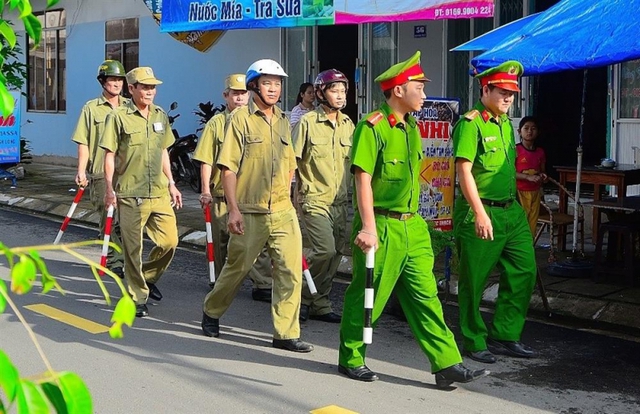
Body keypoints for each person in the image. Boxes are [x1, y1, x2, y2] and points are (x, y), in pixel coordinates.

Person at [338, 51, 489, 388]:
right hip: (382, 225)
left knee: (426, 296)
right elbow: (362, 179)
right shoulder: (372, 127)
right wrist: (367, 227)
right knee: (368, 295)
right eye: (418, 87)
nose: (423, 93)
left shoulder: (412, 128)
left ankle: (446, 362)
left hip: (414, 225)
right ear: (397, 91)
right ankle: (351, 356)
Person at [201, 59, 313, 353]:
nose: (274, 89)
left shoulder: (283, 120)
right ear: (253, 86)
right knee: (237, 268)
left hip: (282, 211)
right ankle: (212, 311)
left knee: (290, 270)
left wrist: (292, 202)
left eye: (277, 83)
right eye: (267, 83)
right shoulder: (239, 120)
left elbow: (290, 165)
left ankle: (286, 332)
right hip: (249, 210)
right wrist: (234, 210)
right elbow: (228, 169)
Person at [452, 61, 537, 364]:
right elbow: (464, 171)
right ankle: (474, 339)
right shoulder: (470, 123)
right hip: (481, 210)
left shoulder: (505, 123)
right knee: (474, 280)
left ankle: (505, 334)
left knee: (525, 270)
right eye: (502, 92)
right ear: (484, 89)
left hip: (510, 211)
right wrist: (478, 212)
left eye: (512, 94)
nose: (508, 98)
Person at [101, 67, 182, 318]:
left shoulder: (160, 115)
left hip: (158, 191)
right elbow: (109, 155)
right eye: (144, 87)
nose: (150, 91)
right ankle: (137, 297)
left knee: (170, 241)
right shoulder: (118, 116)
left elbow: (163, 152)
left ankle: (146, 277)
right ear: (131, 88)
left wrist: (171, 183)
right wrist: (109, 189)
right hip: (130, 193)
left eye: (152, 87)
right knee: (132, 249)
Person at [193, 73, 273, 299]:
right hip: (221, 195)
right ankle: (221, 283)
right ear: (226, 95)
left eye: (244, 93)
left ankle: (263, 284)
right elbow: (207, 159)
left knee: (258, 242)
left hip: (250, 194)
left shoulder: (259, 119)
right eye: (235, 93)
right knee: (222, 242)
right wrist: (206, 191)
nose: (240, 98)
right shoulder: (217, 123)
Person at [292, 69, 353, 323]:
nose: (340, 96)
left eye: (342, 91)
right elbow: (291, 162)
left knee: (336, 253)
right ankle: (302, 296)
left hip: (340, 202)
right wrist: (288, 196)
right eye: (334, 91)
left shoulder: (349, 125)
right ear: (320, 93)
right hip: (314, 199)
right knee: (324, 251)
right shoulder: (307, 123)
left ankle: (321, 302)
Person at [72, 60, 127, 278]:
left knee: (128, 219)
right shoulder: (91, 108)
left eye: (120, 79)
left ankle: (125, 257)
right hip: (100, 173)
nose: (117, 83)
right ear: (103, 81)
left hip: (126, 172)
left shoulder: (129, 108)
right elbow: (83, 142)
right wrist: (81, 170)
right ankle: (115, 259)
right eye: (112, 79)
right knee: (109, 217)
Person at [515, 116, 547, 236]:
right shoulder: (515, 150)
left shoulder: (540, 152)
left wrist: (543, 176)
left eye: (533, 129)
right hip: (519, 193)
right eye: (526, 128)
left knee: (532, 226)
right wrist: (527, 177)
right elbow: (510, 173)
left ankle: (529, 249)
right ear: (519, 131)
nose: (529, 131)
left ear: (537, 132)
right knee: (520, 223)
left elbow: (542, 172)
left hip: (535, 193)